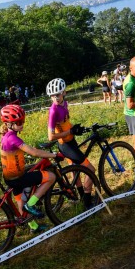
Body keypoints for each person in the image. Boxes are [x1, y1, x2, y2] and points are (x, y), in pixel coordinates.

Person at [0, 104, 59, 233]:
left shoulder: (5, 136)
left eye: (23, 121)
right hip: (17, 177)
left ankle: (33, 227)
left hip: (10, 177)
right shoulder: (12, 138)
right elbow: (34, 152)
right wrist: (53, 155)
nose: (22, 124)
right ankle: (31, 205)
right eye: (19, 122)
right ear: (9, 124)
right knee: (51, 177)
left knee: (21, 200)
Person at [47, 78, 96, 208]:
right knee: (91, 170)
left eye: (57, 94)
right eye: (52, 96)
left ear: (64, 93)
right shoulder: (53, 111)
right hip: (65, 145)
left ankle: (80, 197)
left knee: (76, 173)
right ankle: (87, 200)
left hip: (71, 141)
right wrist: (69, 131)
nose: (55, 98)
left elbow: (66, 123)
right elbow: (51, 136)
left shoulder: (65, 104)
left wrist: (76, 129)